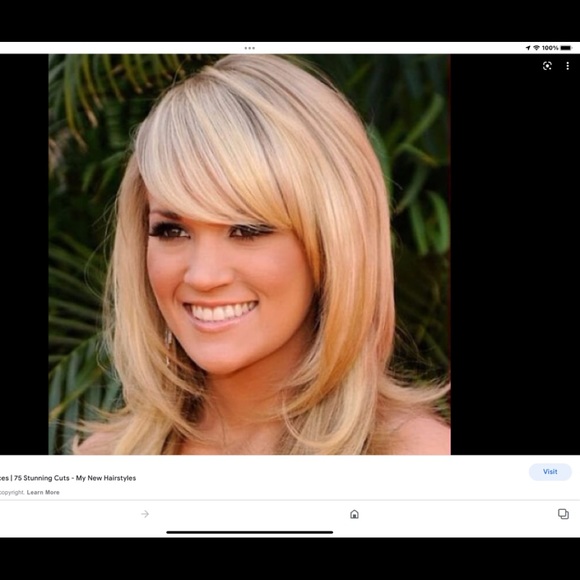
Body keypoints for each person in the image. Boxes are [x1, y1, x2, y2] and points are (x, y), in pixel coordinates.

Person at [76, 54, 450, 455]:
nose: (203, 276)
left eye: (247, 230)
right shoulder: (106, 458)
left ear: (332, 241)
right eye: (172, 230)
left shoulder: (421, 459)